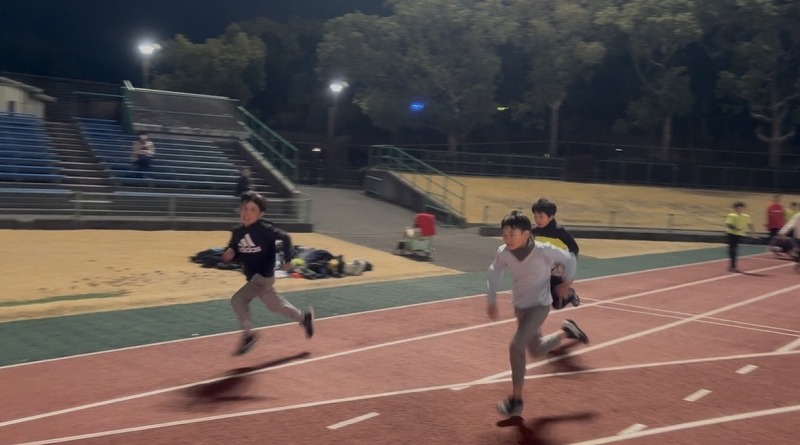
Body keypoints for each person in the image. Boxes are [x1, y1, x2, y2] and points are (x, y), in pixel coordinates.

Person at [486, 210, 590, 418]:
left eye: (512, 234)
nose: (507, 239)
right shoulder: (504, 252)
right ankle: (566, 331)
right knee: (537, 350)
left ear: (526, 234)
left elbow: (570, 259)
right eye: (504, 235)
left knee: (516, 345)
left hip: (540, 306)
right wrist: (491, 299)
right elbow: (494, 270)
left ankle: (516, 401)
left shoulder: (544, 251)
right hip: (520, 306)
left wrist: (567, 283)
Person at [221, 191, 314, 355]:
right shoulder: (237, 232)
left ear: (261, 214)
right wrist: (229, 255)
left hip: (263, 277)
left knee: (238, 299)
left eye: (253, 210)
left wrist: (288, 260)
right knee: (275, 306)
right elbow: (234, 249)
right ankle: (304, 319)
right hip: (254, 278)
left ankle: (249, 335)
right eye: (244, 208)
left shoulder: (264, 229)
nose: (247, 213)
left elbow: (285, 238)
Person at [531, 198, 581, 309]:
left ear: (551, 217)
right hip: (543, 269)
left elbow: (574, 249)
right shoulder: (534, 232)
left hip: (557, 271)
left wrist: (563, 267)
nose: (537, 220)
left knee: (558, 304)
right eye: (535, 216)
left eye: (541, 217)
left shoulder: (559, 231)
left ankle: (570, 294)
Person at [725, 201, 757, 273]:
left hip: (739, 234)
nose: (739, 209)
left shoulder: (746, 216)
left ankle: (732, 265)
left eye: (741, 208)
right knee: (733, 249)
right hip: (731, 234)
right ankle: (733, 266)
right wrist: (735, 228)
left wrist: (753, 233)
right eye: (738, 208)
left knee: (734, 249)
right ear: (735, 208)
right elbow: (728, 224)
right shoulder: (731, 215)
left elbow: (750, 224)